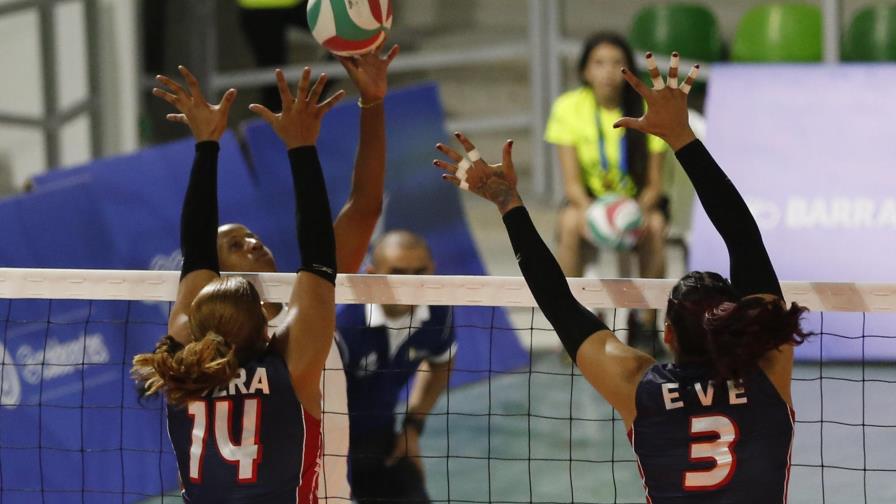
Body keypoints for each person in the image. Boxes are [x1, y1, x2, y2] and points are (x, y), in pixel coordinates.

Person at [434, 53, 810, 503]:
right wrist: (682, 137)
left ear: (668, 334)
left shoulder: (639, 385)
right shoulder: (768, 368)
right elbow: (744, 238)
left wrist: (507, 202)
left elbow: (557, 304)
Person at [132, 64, 344, 503]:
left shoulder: (179, 375)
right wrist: (301, 147)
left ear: (193, 328)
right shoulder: (292, 370)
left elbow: (196, 256)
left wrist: (206, 144)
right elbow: (320, 258)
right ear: (267, 328)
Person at [215, 43, 398, 503]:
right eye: (235, 245)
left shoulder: (309, 300)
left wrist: (373, 102)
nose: (253, 242)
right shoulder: (217, 345)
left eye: (251, 234)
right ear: (217, 277)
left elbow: (366, 207)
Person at [545, 32, 669, 352]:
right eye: (598, 63)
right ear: (585, 70)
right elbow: (571, 183)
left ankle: (645, 324)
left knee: (655, 227)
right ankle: (577, 318)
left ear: (629, 70)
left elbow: (655, 185)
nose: (608, 72)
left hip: (638, 203)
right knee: (570, 223)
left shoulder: (647, 108)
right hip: (589, 202)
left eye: (617, 63)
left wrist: (633, 214)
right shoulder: (567, 108)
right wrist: (593, 214)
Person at [337, 230, 455, 504]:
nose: (410, 283)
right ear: (371, 273)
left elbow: (442, 361)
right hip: (326, 445)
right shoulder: (342, 322)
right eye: (398, 272)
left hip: (383, 441)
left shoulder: (437, 311)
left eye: (419, 272)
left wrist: (413, 427)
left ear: (433, 270)